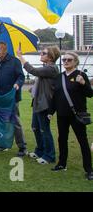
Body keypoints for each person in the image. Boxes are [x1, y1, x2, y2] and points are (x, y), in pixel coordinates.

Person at [48, 52, 93, 180]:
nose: (66, 61)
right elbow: (55, 97)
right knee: (62, 140)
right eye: (64, 60)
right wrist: (51, 112)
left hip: (77, 115)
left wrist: (83, 83)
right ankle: (62, 164)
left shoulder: (81, 75)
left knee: (82, 142)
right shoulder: (59, 77)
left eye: (69, 60)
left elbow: (90, 94)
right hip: (62, 115)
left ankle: (89, 169)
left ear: (75, 62)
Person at [17, 46, 59, 164]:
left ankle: (49, 156)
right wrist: (33, 89)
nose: (41, 54)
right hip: (37, 102)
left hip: (44, 104)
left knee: (44, 129)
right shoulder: (47, 68)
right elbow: (43, 83)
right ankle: (39, 151)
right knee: (35, 127)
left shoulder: (52, 68)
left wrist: (20, 56)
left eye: (43, 53)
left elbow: (33, 71)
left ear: (51, 56)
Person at [0, 41, 27, 156]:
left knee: (15, 122)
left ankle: (22, 147)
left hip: (11, 98)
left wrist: (17, 84)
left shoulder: (14, 61)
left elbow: (21, 76)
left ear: (5, 50)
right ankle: (1, 144)